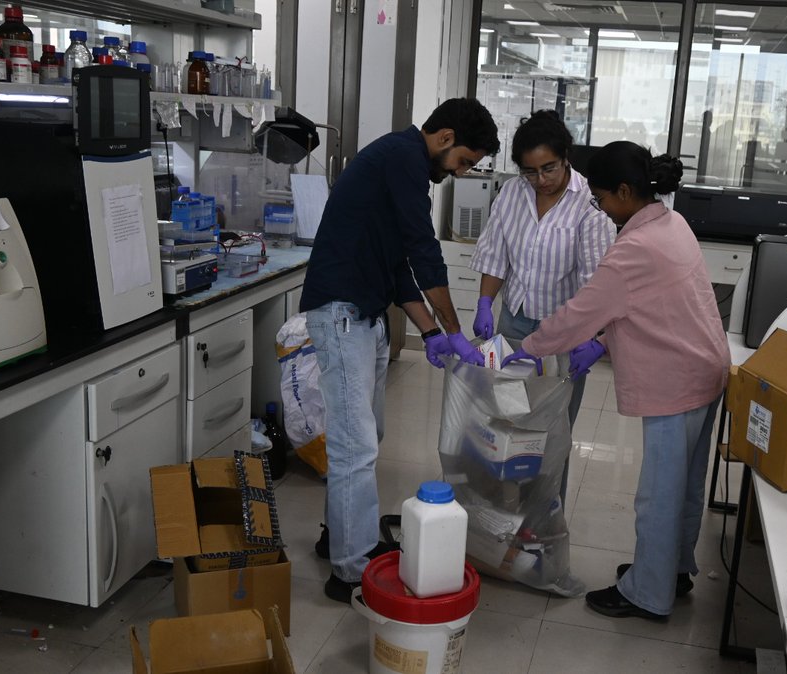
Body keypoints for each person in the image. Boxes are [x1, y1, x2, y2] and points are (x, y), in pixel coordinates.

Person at [501, 141, 729, 621]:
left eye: (601, 198)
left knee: (658, 495)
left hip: (675, 382)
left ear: (625, 192)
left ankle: (647, 593)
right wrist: (602, 337)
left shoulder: (635, 247)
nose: (600, 208)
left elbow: (580, 312)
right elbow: (648, 301)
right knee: (687, 484)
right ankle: (673, 568)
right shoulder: (672, 223)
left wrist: (525, 349)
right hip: (706, 368)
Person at [299, 98, 500, 603]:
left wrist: (431, 333)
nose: (459, 173)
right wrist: (454, 328)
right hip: (342, 313)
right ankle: (348, 572)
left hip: (364, 314)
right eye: (464, 163)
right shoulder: (404, 159)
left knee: (367, 436)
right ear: (447, 137)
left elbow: (397, 269)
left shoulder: (401, 162)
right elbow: (422, 250)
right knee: (355, 446)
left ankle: (338, 535)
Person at [468, 109, 616, 502]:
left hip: (564, 335)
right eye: (530, 172)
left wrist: (594, 338)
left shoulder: (590, 205)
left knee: (550, 433)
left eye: (548, 168)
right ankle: (502, 519)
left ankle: (543, 524)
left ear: (566, 156)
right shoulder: (513, 194)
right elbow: (496, 254)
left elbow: (595, 284)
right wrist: (485, 302)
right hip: (513, 324)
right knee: (506, 422)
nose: (540, 180)